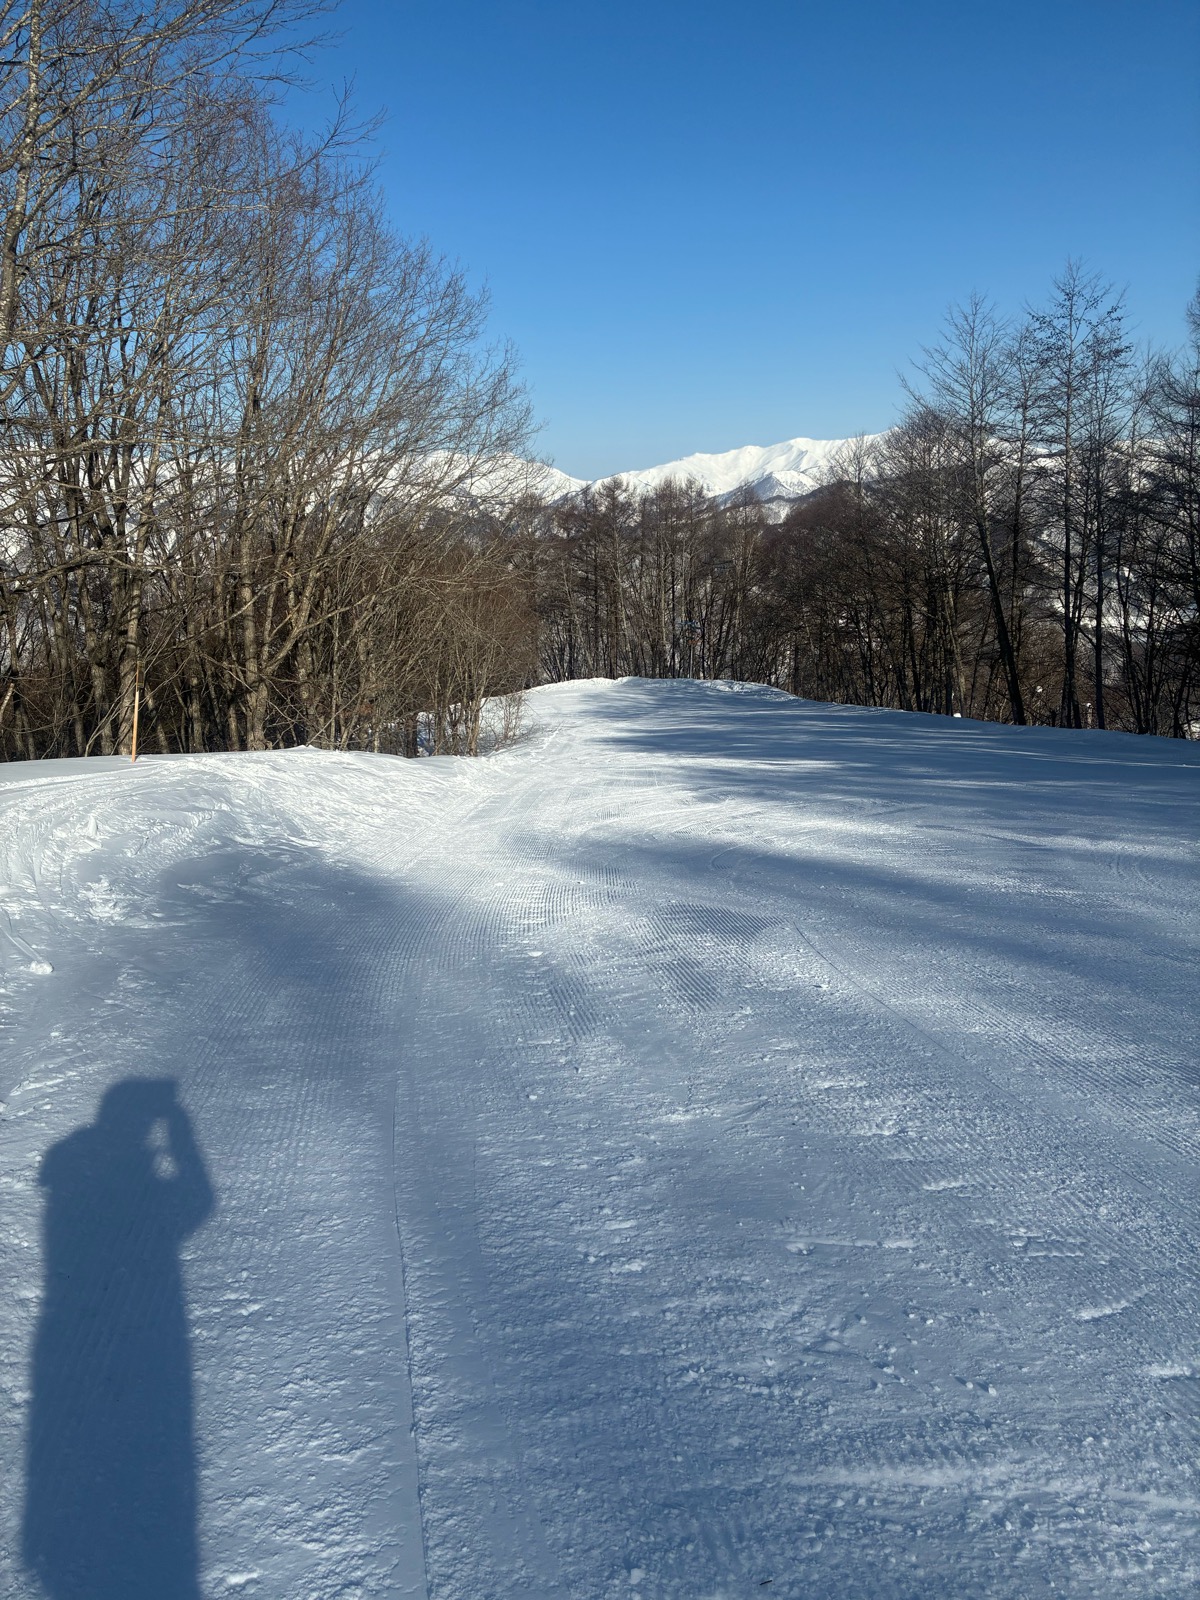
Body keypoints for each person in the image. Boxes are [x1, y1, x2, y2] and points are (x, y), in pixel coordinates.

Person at [23, 1079, 214, 1600]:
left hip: (75, 1334)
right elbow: (198, 1201)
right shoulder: (133, 1183)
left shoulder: (71, 1176)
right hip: (139, 1336)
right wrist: (181, 1134)